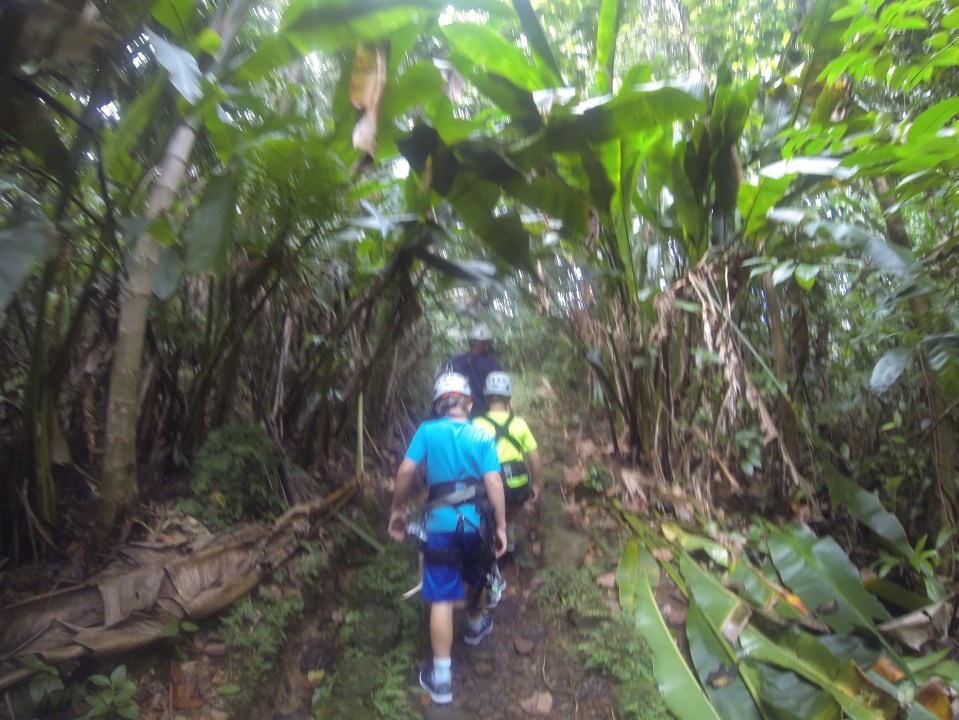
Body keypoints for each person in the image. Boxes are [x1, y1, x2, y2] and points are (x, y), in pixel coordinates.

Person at [388, 372, 508, 706]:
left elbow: (406, 472)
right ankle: (473, 625)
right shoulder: (482, 436)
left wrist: (397, 509)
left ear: (439, 405)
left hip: (440, 526)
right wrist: (500, 527)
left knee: (441, 597)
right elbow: (494, 482)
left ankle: (441, 680)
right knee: (478, 576)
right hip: (475, 525)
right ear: (469, 403)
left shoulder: (427, 431)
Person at [472, 371, 541, 560]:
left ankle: (489, 551)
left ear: (485, 397)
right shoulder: (519, 424)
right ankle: (508, 549)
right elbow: (534, 457)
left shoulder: (476, 424)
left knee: (488, 516)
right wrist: (535, 483)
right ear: (509, 397)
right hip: (516, 483)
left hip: (487, 483)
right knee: (509, 517)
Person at [440, 322, 503, 418]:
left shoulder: (453, 362)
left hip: (457, 413)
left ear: (470, 342)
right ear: (487, 345)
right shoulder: (494, 366)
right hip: (484, 414)